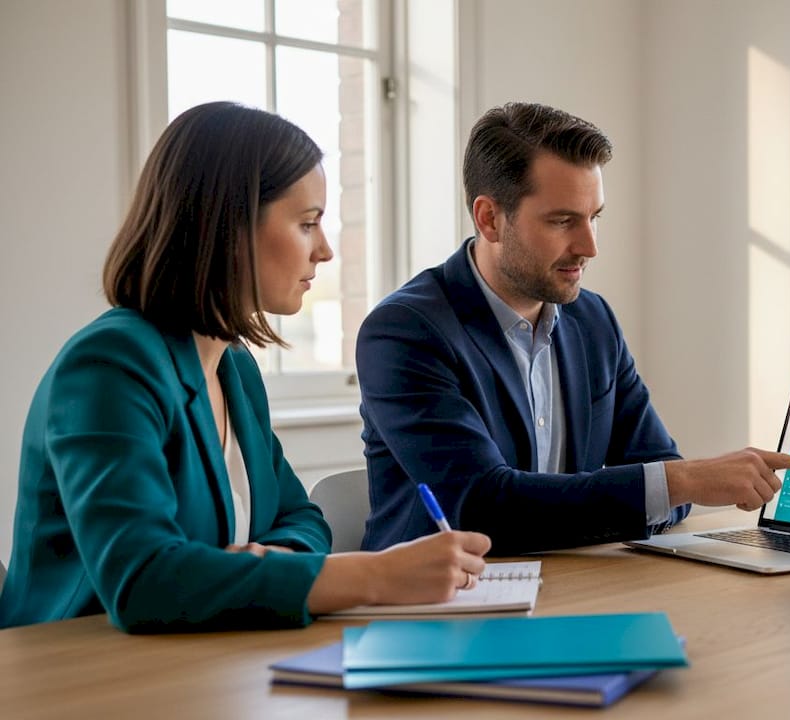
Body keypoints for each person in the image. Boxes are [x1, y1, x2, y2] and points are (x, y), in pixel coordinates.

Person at [0, 102, 490, 633]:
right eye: (307, 224)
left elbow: (300, 518)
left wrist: (267, 562)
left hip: (201, 661)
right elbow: (142, 579)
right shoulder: (108, 367)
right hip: (75, 675)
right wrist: (372, 575)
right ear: (227, 226)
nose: (324, 250)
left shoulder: (234, 368)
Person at [356, 102, 790, 555]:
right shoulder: (406, 332)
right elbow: (480, 508)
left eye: (595, 217)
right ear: (489, 218)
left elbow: (658, 475)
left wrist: (673, 484)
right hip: (437, 611)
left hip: (568, 588)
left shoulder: (593, 322)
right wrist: (683, 481)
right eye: (562, 221)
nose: (589, 246)